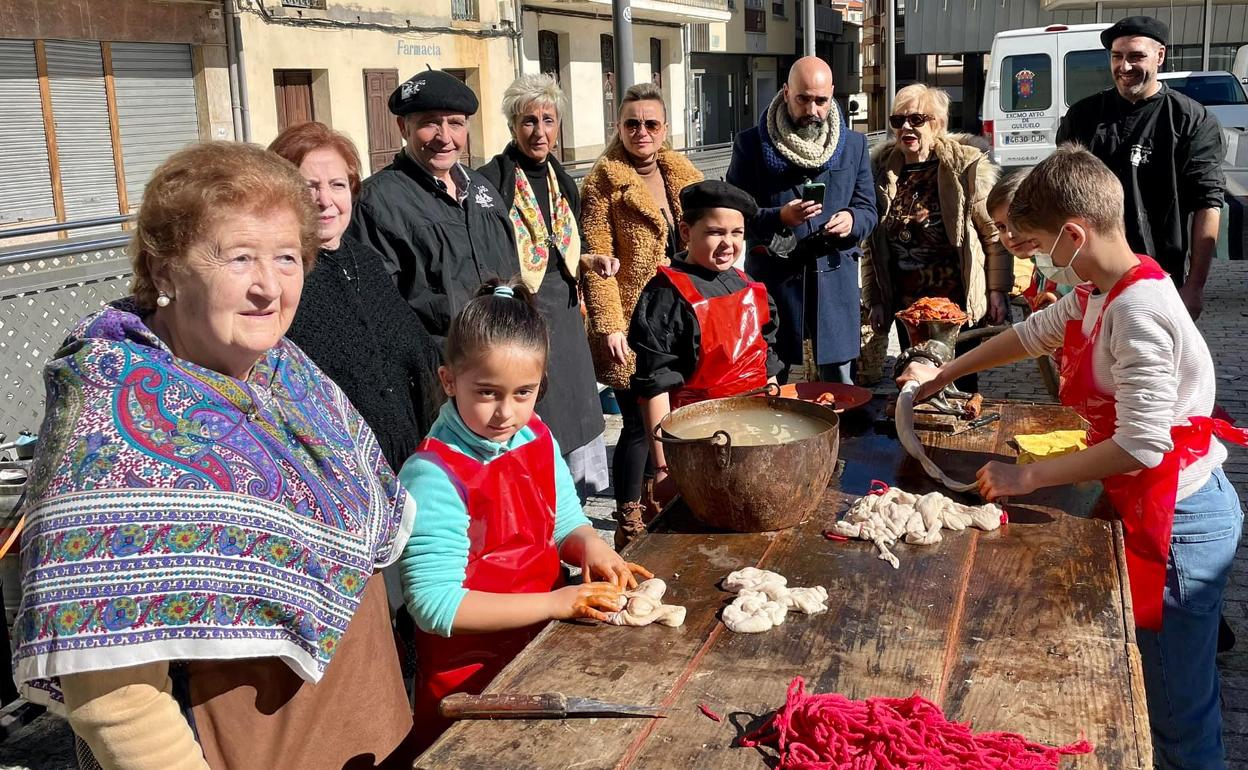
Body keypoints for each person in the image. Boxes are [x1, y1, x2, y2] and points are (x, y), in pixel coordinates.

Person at [13, 143, 417, 769]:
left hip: (365, 733)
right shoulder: (110, 415)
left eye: (286, 258)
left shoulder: (284, 371)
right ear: (166, 270)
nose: (267, 287)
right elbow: (112, 697)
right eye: (238, 258)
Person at [898, 145, 1248, 770]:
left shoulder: (1139, 310)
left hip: (1179, 522)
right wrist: (945, 373)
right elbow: (1035, 332)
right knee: (1163, 688)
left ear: (1072, 233)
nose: (1030, 257)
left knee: (1177, 712)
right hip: (1151, 502)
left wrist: (1022, 475)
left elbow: (1143, 443)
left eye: (1031, 242)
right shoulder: (1104, 286)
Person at [397, 280, 652, 750]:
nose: (505, 414)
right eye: (488, 393)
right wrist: (557, 603)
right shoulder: (433, 475)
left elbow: (563, 521)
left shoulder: (534, 434)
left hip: (541, 651)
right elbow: (436, 606)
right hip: (467, 682)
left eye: (523, 393)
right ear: (449, 381)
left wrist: (589, 544)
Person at [270, 121, 441, 472]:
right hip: (343, 477)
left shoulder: (364, 260)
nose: (325, 201)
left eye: (337, 185)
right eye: (308, 187)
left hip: (411, 462)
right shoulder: (281, 279)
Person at [477, 74, 616, 499]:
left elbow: (562, 243)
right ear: (512, 127)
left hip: (567, 312)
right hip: (527, 311)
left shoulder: (563, 179)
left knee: (577, 412)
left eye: (548, 120)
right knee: (539, 411)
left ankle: (577, 507)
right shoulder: (492, 182)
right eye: (529, 121)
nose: (540, 131)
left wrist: (589, 259)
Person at [580, 82, 703, 548]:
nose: (642, 132)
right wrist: (609, 323)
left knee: (675, 409)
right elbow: (599, 256)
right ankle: (628, 515)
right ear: (619, 126)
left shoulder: (681, 173)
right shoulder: (603, 183)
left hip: (676, 311)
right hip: (633, 317)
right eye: (632, 123)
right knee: (635, 423)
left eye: (651, 123)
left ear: (665, 127)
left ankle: (665, 494)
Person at [1056, 15, 1225, 321]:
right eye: (1117, 57)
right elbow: (1059, 197)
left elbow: (1208, 204)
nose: (1125, 67)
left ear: (1160, 56)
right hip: (1090, 278)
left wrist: (1194, 287)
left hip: (1158, 277)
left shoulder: (1191, 120)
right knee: (1087, 366)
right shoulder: (1083, 117)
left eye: (1136, 56)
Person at [726, 55, 877, 385]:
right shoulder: (751, 144)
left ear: (832, 94)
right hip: (777, 285)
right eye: (803, 99)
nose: (812, 110)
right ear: (785, 92)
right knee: (772, 386)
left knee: (838, 391)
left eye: (821, 101)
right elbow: (733, 215)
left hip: (835, 281)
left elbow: (868, 208)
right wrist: (779, 216)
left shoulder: (854, 144)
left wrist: (853, 219)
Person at [630, 180, 785, 480]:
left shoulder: (749, 286)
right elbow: (656, 386)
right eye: (715, 232)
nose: (728, 244)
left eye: (736, 233)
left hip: (756, 431)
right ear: (687, 232)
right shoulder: (666, 296)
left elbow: (768, 361)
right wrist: (663, 468)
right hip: (698, 439)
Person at [347, 68, 517, 343]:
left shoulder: (482, 189)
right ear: (404, 128)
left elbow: (513, 274)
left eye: (456, 123)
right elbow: (378, 312)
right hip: (438, 371)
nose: (445, 137)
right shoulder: (376, 204)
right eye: (430, 123)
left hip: (501, 360)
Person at [862, 84, 1011, 392]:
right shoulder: (881, 171)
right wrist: (874, 299)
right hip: (909, 306)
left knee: (958, 382)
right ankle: (916, 434)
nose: (906, 127)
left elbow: (993, 234)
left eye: (916, 119)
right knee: (914, 378)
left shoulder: (963, 167)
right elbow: (871, 244)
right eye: (898, 120)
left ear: (938, 123)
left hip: (955, 304)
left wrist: (997, 290)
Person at [985, 168, 1060, 311]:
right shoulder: (1040, 261)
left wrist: (1062, 303)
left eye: (1018, 222)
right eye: (1001, 227)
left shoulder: (1071, 266)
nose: (1010, 234)